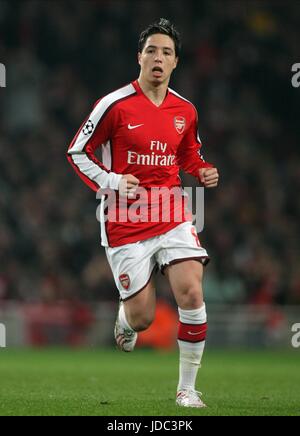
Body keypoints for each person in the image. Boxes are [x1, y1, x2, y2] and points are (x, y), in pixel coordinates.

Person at [67, 18, 219, 408]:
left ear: (175, 63)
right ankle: (125, 319)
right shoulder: (114, 105)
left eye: (166, 52)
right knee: (143, 318)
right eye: (151, 49)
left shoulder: (185, 109)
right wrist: (113, 181)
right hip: (124, 219)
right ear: (139, 57)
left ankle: (187, 389)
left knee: (191, 291)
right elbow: (77, 153)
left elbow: (187, 152)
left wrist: (199, 168)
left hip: (171, 212)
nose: (158, 57)